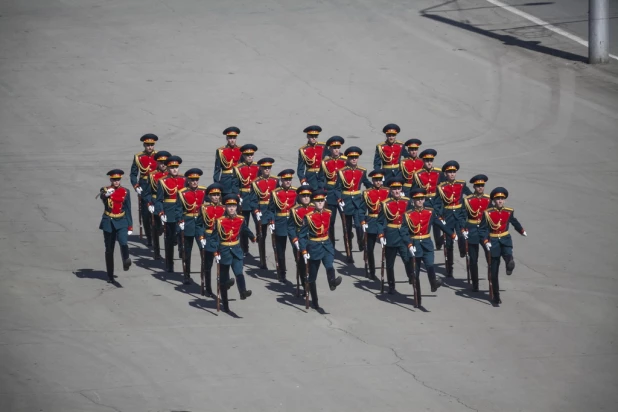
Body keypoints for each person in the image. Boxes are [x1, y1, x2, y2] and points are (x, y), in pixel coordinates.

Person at [404, 188, 455, 307]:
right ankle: (418, 298)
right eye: (417, 199)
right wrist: (409, 244)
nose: (420, 201)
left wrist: (451, 234)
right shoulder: (408, 215)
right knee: (415, 274)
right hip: (415, 245)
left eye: (422, 199)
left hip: (427, 244)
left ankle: (433, 282)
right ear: (413, 200)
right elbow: (404, 231)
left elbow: (439, 224)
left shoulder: (430, 212)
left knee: (430, 265)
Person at [479, 187, 527, 306]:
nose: (500, 201)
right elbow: (482, 229)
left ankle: (509, 264)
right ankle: (496, 295)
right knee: (494, 271)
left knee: (508, 255)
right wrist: (485, 241)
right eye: (498, 199)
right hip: (493, 241)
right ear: (494, 201)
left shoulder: (509, 211)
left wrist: (521, 230)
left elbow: (514, 221)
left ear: (504, 200)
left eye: (502, 198)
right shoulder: (488, 213)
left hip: (505, 239)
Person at [298, 189, 343, 310]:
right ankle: (315, 300)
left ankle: (332, 282)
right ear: (313, 202)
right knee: (312, 276)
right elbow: (302, 236)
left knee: (329, 265)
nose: (319, 203)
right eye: (317, 201)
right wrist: (304, 250)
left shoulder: (329, 212)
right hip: (314, 246)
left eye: (321, 200)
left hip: (326, 244)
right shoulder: (308, 217)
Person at [213, 194, 256, 313]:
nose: (231, 208)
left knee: (239, 272)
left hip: (236, 250)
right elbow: (214, 238)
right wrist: (215, 252)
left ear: (236, 207)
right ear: (225, 207)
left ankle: (243, 292)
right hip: (224, 250)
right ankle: (225, 304)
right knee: (224, 278)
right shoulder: (220, 221)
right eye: (229, 206)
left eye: (233, 206)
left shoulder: (241, 219)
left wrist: (252, 237)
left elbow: (244, 229)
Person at [333, 146, 372, 262]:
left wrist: (375, 189)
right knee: (347, 229)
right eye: (352, 157)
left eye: (356, 157)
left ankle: (360, 241)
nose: (354, 159)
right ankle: (349, 254)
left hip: (358, 202)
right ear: (348, 159)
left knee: (360, 225)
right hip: (346, 203)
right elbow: (337, 188)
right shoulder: (341, 172)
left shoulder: (362, 171)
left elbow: (366, 183)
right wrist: (339, 199)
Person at [376, 177, 412, 294]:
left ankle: (411, 277)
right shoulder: (385, 204)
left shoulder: (407, 202)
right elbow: (380, 221)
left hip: (403, 236)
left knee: (407, 259)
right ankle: (391, 285)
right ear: (390, 190)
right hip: (391, 236)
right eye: (394, 189)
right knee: (390, 263)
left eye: (399, 188)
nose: (397, 191)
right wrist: (381, 235)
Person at [436, 160, 472, 277]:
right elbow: (437, 203)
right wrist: (440, 215)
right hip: (448, 216)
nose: (452, 174)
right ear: (445, 174)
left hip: (460, 215)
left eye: (453, 172)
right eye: (449, 172)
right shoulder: (441, 187)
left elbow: (470, 196)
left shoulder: (461, 184)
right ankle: (449, 267)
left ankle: (462, 251)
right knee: (449, 243)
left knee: (462, 236)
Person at [99, 169, 133, 283]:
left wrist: (130, 226)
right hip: (109, 221)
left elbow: (128, 209)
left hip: (121, 220)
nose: (116, 182)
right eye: (114, 180)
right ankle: (110, 274)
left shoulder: (126, 191)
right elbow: (102, 197)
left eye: (118, 179)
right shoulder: (105, 190)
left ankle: (126, 260)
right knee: (109, 249)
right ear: (111, 180)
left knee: (123, 242)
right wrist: (106, 194)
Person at [155, 155, 186, 273]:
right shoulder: (163, 181)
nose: (174, 169)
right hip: (169, 211)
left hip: (182, 211)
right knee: (169, 238)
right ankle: (169, 263)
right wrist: (161, 212)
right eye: (172, 167)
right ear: (167, 168)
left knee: (181, 235)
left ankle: (181, 253)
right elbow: (159, 200)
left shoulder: (184, 179)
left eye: (176, 167)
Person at [177, 168, 207, 285]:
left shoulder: (204, 191)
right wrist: (180, 221)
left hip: (200, 225)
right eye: (192, 180)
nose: (194, 182)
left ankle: (204, 274)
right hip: (188, 223)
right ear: (188, 180)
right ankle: (186, 275)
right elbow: (178, 209)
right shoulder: (182, 193)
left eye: (196, 179)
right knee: (186, 252)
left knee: (203, 250)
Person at [462, 174, 492, 291]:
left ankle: (491, 279)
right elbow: (463, 215)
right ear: (474, 187)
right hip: (473, 230)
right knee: (473, 259)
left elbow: (491, 216)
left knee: (490, 256)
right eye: (478, 186)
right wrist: (463, 228)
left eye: (482, 185)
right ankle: (475, 283)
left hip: (485, 231)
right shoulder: (467, 200)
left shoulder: (488, 199)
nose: (480, 188)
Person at [268, 169, 298, 281]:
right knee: (280, 250)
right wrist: (271, 221)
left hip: (292, 222)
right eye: (286, 180)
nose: (288, 182)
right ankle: (282, 272)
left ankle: (300, 269)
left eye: (289, 179)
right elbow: (271, 209)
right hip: (280, 222)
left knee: (296, 248)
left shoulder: (296, 192)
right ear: (281, 180)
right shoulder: (275, 193)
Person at [412, 149, 445, 249]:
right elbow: (414, 189)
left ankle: (438, 242)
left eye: (431, 160)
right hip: (425, 201)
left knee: (438, 223)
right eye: (427, 160)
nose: (429, 162)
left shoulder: (439, 172)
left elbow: (443, 187)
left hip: (437, 200)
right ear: (423, 161)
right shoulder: (418, 174)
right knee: (427, 224)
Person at [317, 136, 347, 246]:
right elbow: (320, 178)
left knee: (346, 223)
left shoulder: (345, 160)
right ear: (329, 149)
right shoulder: (325, 162)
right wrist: (323, 191)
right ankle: (332, 246)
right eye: (334, 147)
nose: (336, 149)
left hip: (343, 194)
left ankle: (349, 249)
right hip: (330, 194)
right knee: (331, 222)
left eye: (338, 147)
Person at [130, 133, 158, 246]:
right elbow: (133, 174)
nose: (150, 147)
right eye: (147, 145)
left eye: (151, 145)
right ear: (144, 145)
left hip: (156, 185)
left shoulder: (159, 156)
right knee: (145, 213)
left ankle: (158, 228)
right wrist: (136, 186)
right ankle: (149, 237)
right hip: (144, 185)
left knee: (158, 209)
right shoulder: (139, 157)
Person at [361, 169, 390, 279]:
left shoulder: (388, 191)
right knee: (369, 248)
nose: (378, 182)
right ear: (372, 181)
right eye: (375, 180)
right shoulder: (367, 193)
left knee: (387, 248)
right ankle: (372, 271)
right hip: (372, 221)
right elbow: (362, 209)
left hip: (384, 222)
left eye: (379, 180)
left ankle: (387, 271)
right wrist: (363, 221)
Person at [198, 183, 225, 298]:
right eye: (213, 195)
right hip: (208, 238)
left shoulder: (224, 208)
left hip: (221, 239)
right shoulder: (204, 208)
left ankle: (223, 287)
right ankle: (208, 288)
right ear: (209, 196)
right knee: (207, 265)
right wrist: (201, 237)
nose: (215, 197)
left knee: (223, 264)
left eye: (217, 195)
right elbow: (199, 225)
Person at [232, 144, 260, 255]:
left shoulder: (258, 167)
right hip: (244, 199)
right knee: (244, 225)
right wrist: (238, 197)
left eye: (251, 154)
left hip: (255, 199)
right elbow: (235, 185)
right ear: (243, 155)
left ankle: (260, 247)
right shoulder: (238, 169)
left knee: (260, 225)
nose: (249, 157)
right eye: (247, 155)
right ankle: (245, 249)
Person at [288, 186, 315, 296]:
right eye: (303, 196)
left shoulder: (314, 208)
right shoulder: (295, 210)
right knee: (301, 265)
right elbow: (290, 227)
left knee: (312, 265)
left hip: (313, 241)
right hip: (299, 240)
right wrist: (294, 240)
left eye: (308, 196)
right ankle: (305, 287)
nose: (306, 198)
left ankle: (311, 286)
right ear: (299, 197)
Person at [143, 150, 170, 260]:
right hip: (155, 202)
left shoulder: (171, 175)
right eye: (160, 162)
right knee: (156, 227)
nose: (163, 164)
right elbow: (147, 192)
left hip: (168, 203)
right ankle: (157, 251)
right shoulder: (152, 175)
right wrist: (149, 203)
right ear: (157, 163)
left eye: (165, 162)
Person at [251, 157, 278, 270]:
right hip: (262, 211)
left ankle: (278, 263)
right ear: (261, 168)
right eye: (265, 168)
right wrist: (256, 210)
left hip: (272, 211)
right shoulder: (256, 182)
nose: (267, 170)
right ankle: (262, 261)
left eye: (269, 168)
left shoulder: (275, 180)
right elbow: (253, 200)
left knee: (275, 238)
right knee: (261, 236)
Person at [213, 126, 242, 197]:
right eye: (230, 138)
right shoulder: (221, 151)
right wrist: (217, 184)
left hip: (237, 180)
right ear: (227, 138)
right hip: (225, 181)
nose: (232, 140)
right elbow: (217, 169)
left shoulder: (241, 150)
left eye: (234, 138)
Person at [297, 125, 327, 190]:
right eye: (311, 136)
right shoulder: (303, 150)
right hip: (310, 178)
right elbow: (300, 169)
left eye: (315, 136)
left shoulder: (323, 147)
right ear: (307, 136)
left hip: (322, 176)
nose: (314, 138)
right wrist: (303, 181)